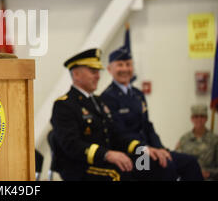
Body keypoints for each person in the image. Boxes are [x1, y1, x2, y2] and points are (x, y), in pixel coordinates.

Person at [49, 48, 177, 181]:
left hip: (106, 160)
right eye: (93, 72)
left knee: (157, 165)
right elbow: (72, 145)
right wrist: (107, 154)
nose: (98, 76)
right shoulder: (64, 105)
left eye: (98, 71)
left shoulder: (98, 102)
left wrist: (143, 149)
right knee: (119, 175)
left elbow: (115, 136)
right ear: (76, 74)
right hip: (80, 167)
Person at [100, 46, 203, 181]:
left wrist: (160, 148)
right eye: (120, 65)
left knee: (190, 163)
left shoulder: (138, 95)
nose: (125, 69)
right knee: (165, 166)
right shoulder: (107, 98)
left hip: (151, 149)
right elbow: (119, 134)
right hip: (133, 154)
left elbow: (147, 126)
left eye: (128, 64)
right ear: (110, 69)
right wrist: (145, 149)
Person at [176, 104, 218, 180]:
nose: (199, 119)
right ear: (192, 119)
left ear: (206, 118)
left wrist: (208, 173)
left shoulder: (215, 140)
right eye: (196, 116)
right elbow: (176, 163)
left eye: (202, 116)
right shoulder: (184, 139)